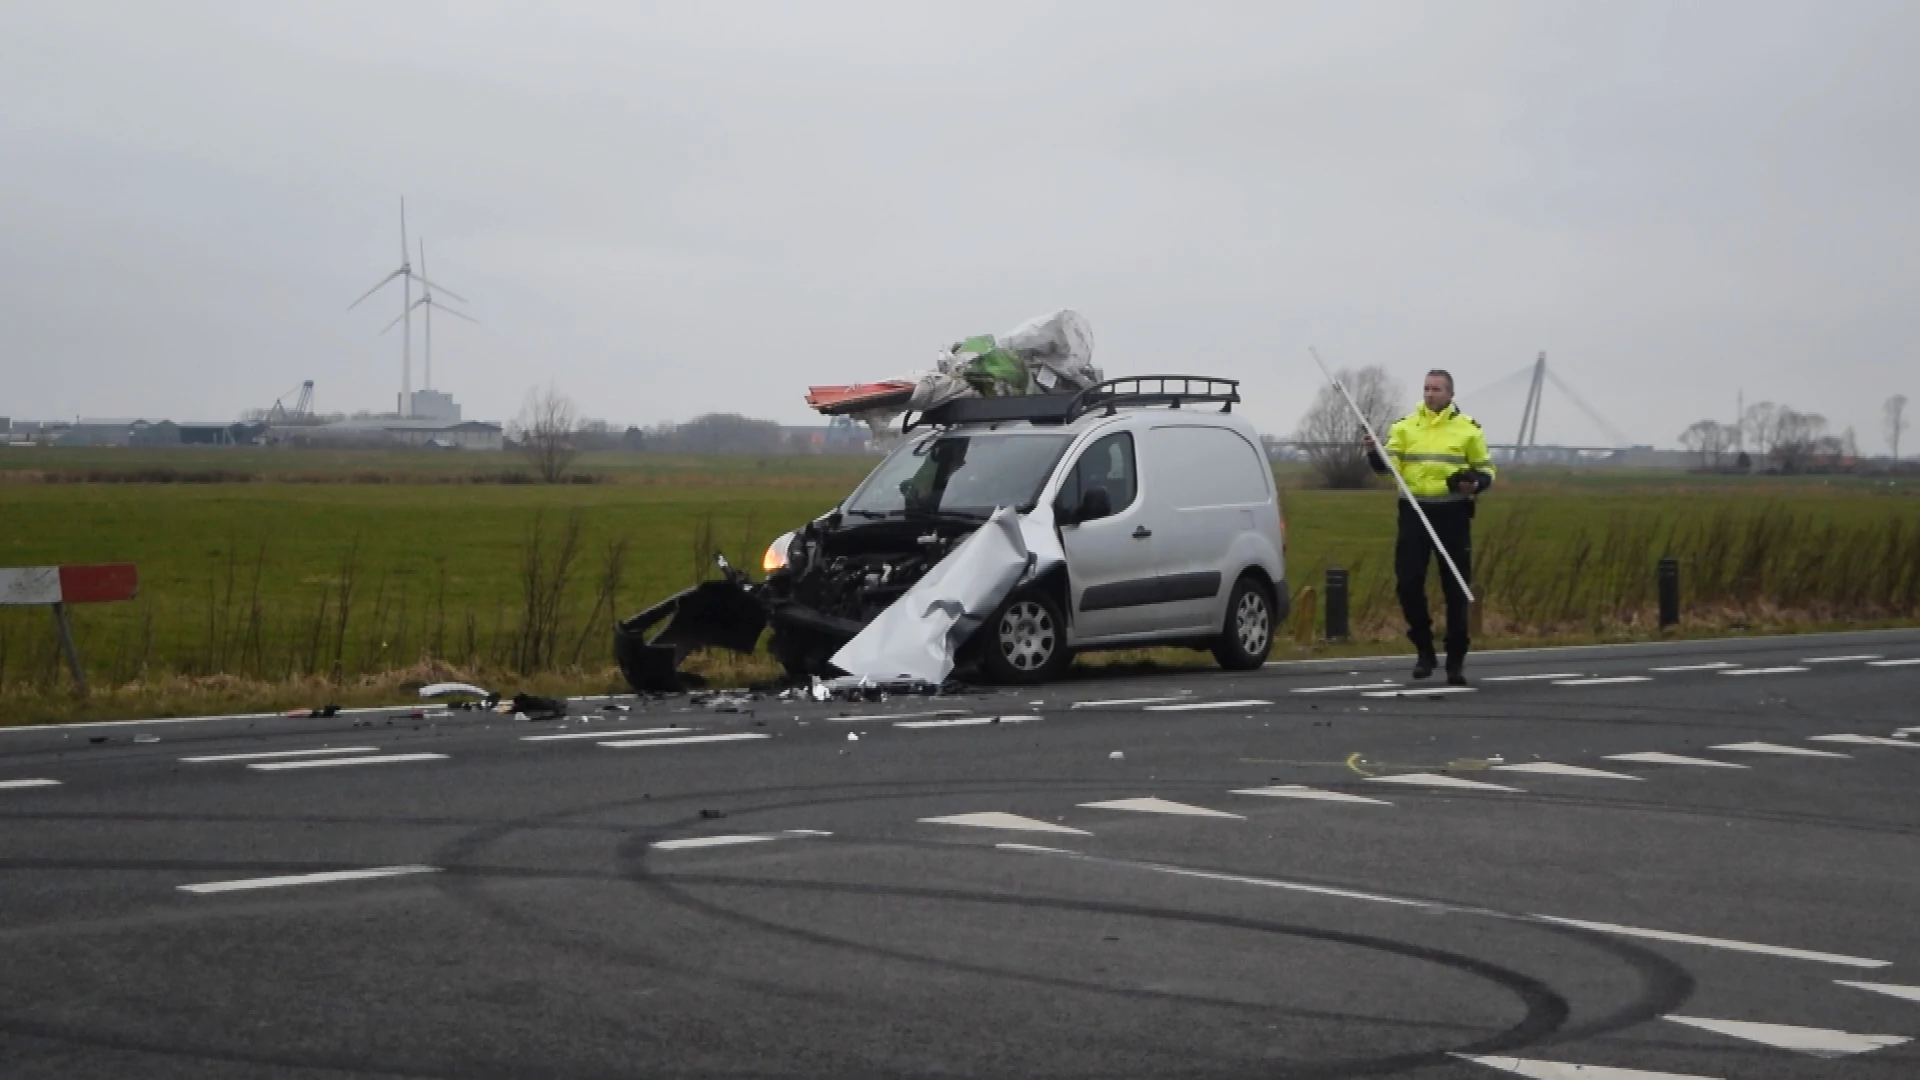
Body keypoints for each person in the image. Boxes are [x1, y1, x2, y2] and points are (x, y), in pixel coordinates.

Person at [1363, 370, 1496, 685]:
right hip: (1414, 513)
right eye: (1426, 388)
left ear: (1450, 394)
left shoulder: (1468, 430)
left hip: (1452, 515)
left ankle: (1456, 660)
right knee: (1408, 583)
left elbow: (1486, 469)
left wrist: (1473, 484)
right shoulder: (1404, 427)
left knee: (1456, 589)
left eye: (1436, 389)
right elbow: (1389, 470)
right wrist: (1373, 455)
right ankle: (1424, 648)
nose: (1429, 394)